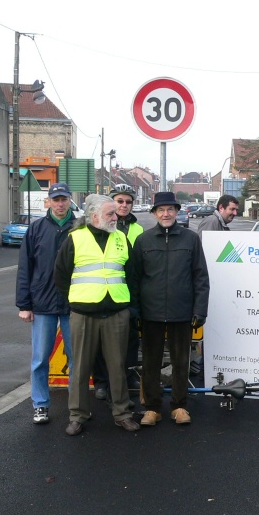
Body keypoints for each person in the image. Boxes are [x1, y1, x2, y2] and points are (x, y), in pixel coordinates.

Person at [54, 194, 140, 435]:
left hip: (116, 312)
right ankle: (78, 415)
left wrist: (129, 306)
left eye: (115, 213)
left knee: (117, 366)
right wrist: (74, 301)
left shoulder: (121, 238)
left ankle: (122, 413)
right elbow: (60, 276)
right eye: (110, 213)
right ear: (94, 216)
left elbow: (132, 274)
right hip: (84, 313)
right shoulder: (75, 238)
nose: (116, 217)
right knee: (80, 368)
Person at [133, 192, 210, 426]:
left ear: (177, 212)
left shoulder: (190, 239)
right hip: (150, 312)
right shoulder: (143, 241)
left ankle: (179, 406)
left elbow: (200, 277)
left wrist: (200, 310)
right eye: (161, 210)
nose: (165, 214)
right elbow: (134, 279)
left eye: (170, 209)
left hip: (182, 311)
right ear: (155, 213)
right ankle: (152, 409)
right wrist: (135, 310)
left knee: (180, 361)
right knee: (151, 363)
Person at [16, 182, 77, 425]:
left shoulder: (80, 228)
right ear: (49, 202)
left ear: (70, 200)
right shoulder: (37, 229)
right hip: (42, 303)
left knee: (77, 359)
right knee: (40, 358)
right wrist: (24, 304)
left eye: (64, 199)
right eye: (56, 199)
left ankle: (77, 406)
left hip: (75, 304)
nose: (60, 204)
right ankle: (40, 405)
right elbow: (25, 268)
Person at [92, 184, 144, 403]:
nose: (123, 206)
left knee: (131, 340)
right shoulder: (103, 224)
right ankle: (102, 382)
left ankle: (129, 375)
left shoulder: (138, 230)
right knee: (101, 342)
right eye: (119, 201)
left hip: (129, 291)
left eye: (128, 202)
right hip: (105, 291)